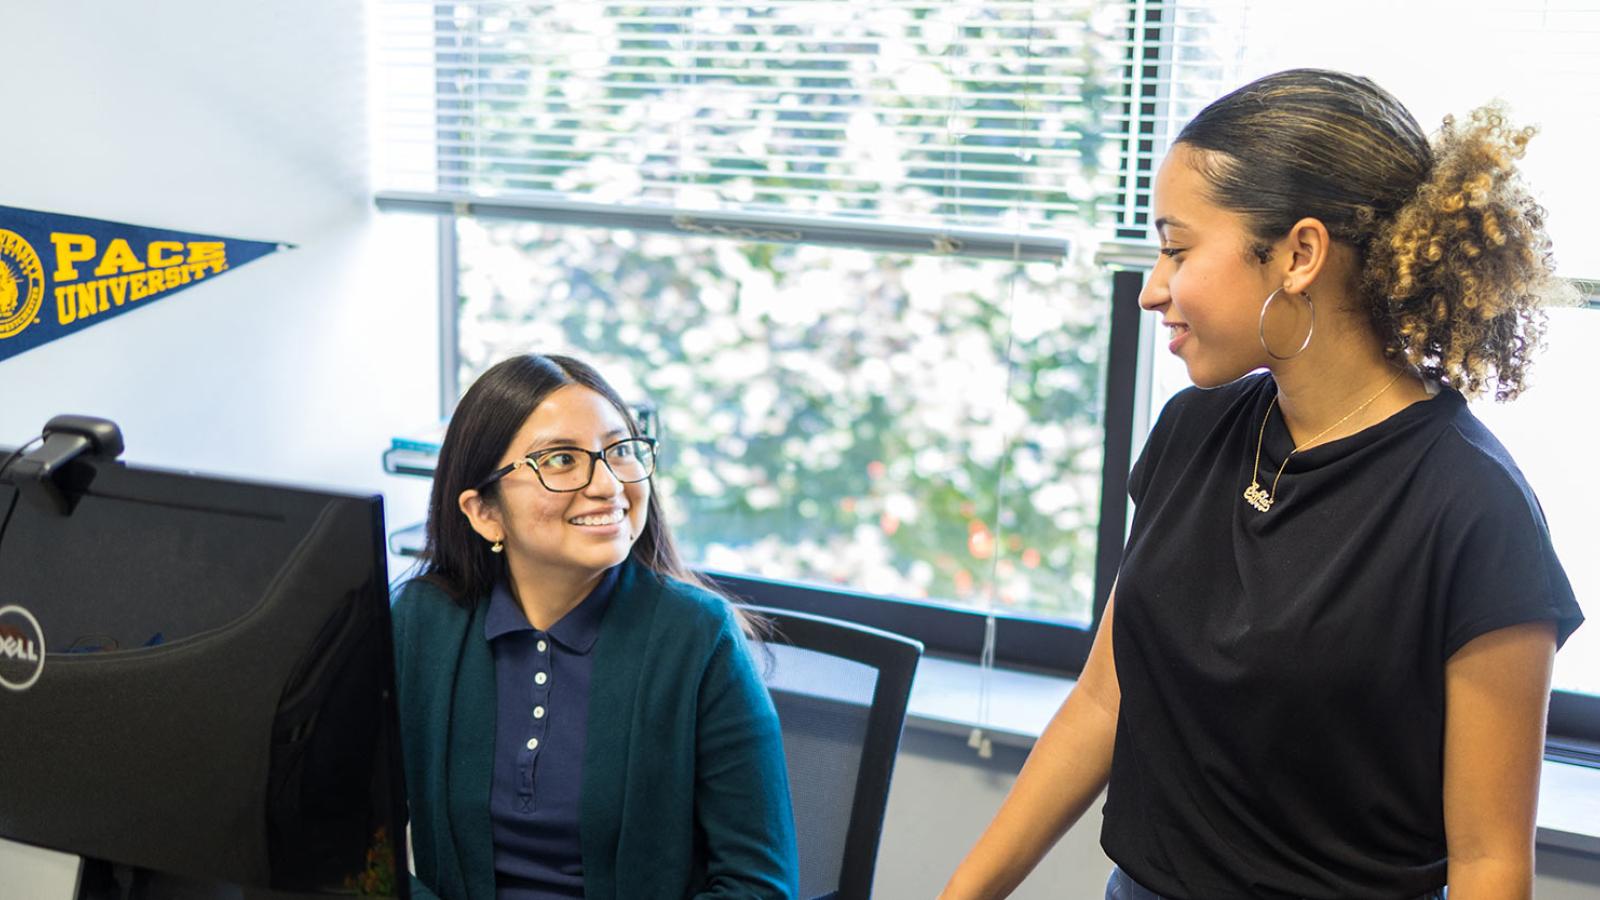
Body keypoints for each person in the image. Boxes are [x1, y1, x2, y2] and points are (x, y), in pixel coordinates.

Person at [940, 69, 1584, 900]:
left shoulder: (1473, 509)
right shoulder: (1193, 431)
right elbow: (1103, 704)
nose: (1151, 289)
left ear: (1299, 255)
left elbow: (1491, 864)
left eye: (1177, 249)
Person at [390, 353, 799, 900]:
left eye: (620, 451)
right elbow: (345, 839)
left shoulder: (697, 638)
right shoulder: (424, 623)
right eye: (560, 459)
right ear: (484, 511)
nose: (608, 485)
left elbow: (758, 888)